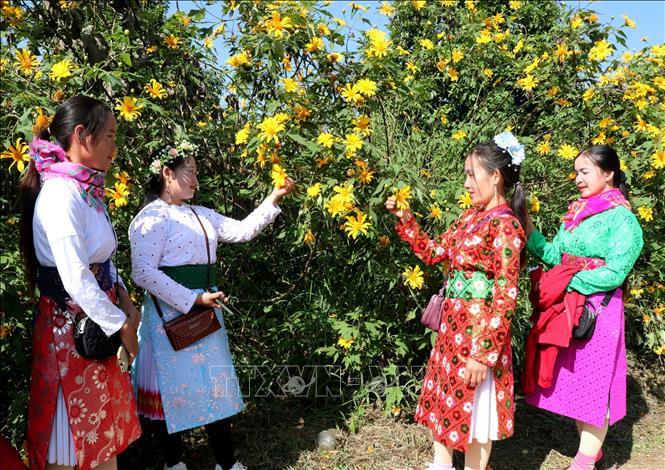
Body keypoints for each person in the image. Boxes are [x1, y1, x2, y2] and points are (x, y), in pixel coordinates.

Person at [129, 140, 295, 470]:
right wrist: (192, 298)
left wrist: (274, 197)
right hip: (170, 317)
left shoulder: (200, 214)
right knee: (170, 394)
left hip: (205, 313)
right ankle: (174, 462)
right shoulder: (150, 219)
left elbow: (243, 230)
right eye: (189, 172)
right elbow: (143, 272)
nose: (195, 179)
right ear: (167, 173)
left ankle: (227, 462)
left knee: (213, 387)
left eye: (195, 173)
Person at [386, 132, 527, 470]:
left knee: (478, 415)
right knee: (444, 402)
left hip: (479, 336)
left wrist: (483, 354)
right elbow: (435, 253)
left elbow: (506, 294)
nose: (466, 182)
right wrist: (406, 220)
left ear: (495, 177)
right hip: (453, 332)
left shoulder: (506, 226)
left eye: (471, 174)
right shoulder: (470, 218)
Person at [19, 96, 141, 470]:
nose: (115, 149)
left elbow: (101, 258)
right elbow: (75, 276)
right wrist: (122, 324)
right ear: (81, 136)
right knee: (70, 441)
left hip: (94, 328)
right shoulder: (60, 195)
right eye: (109, 137)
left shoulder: (85, 191)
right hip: (70, 338)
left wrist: (125, 300)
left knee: (100, 438)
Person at [524, 145, 643, 470]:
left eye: (584, 172)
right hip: (568, 308)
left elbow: (616, 271)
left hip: (599, 311)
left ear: (609, 174)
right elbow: (553, 255)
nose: (577, 179)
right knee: (576, 384)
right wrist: (528, 226)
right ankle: (591, 451)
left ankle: (585, 461)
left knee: (594, 386)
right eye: (576, 172)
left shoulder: (623, 220)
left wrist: (571, 280)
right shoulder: (576, 213)